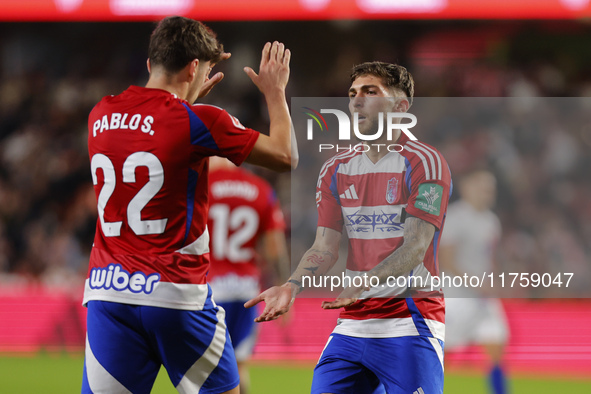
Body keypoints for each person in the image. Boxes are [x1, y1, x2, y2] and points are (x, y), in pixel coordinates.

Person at [82, 16, 297, 394]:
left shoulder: (100, 114)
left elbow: (155, 134)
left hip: (109, 297)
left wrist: (186, 102)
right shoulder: (199, 121)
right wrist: (275, 91)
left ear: (151, 63)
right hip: (176, 298)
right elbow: (285, 155)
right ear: (195, 68)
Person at [246, 62, 452, 393]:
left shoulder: (425, 162)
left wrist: (365, 283)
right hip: (353, 324)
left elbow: (416, 247)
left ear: (401, 107)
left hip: (409, 322)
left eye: (370, 92)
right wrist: (291, 286)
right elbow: (324, 247)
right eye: (353, 93)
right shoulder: (335, 168)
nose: (356, 101)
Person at [207, 156, 290, 394]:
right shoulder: (261, 189)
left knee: (204, 368)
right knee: (238, 366)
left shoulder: (201, 185)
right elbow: (275, 247)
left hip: (209, 288)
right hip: (245, 290)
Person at [439, 169, 510, 394]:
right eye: (482, 187)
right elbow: (447, 260)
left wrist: (494, 280)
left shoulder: (491, 220)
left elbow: (488, 258)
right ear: (467, 187)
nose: (487, 192)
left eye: (490, 188)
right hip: (456, 296)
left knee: (496, 343)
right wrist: (477, 283)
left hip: (482, 297)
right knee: (444, 354)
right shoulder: (456, 217)